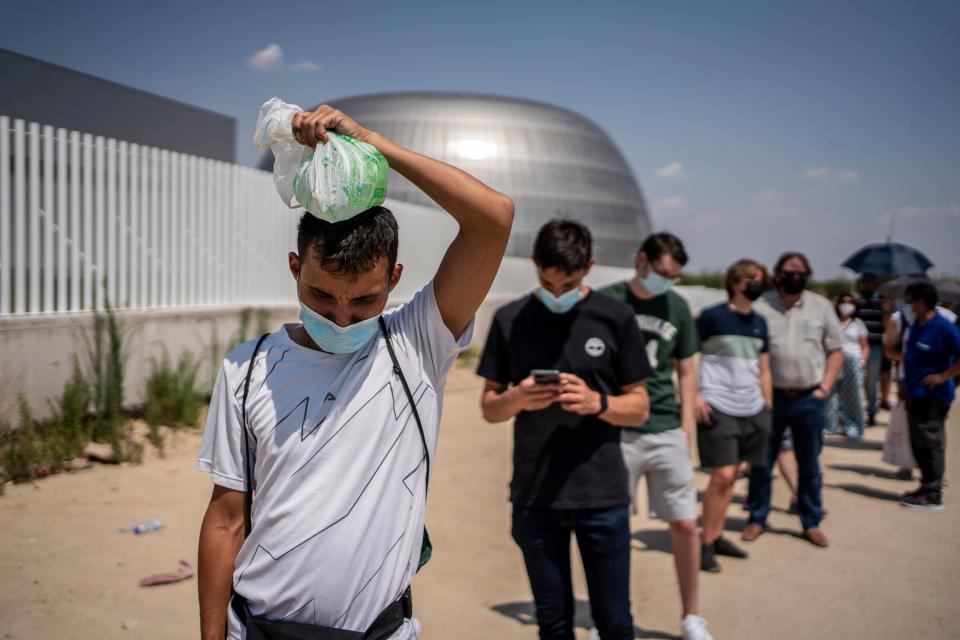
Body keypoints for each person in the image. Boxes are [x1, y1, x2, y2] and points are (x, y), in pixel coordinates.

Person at [196, 104, 515, 640]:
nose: (341, 318)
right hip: (256, 630)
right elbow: (226, 519)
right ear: (296, 268)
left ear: (394, 279)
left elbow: (494, 217)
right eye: (321, 295)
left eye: (364, 300)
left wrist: (369, 140)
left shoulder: (417, 343)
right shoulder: (246, 369)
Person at [476, 219, 655, 640]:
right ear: (535, 264)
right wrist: (515, 399)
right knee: (553, 622)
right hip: (535, 497)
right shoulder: (510, 319)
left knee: (614, 621)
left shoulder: (616, 317)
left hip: (602, 496)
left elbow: (640, 407)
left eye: (568, 283)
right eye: (547, 281)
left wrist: (599, 403)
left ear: (589, 267)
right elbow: (489, 408)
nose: (557, 292)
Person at [600, 233, 712, 640]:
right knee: (613, 529)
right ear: (642, 261)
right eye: (664, 273)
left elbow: (686, 369)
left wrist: (687, 427)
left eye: (675, 276)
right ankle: (607, 618)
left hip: (665, 426)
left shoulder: (677, 307)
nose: (668, 282)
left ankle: (692, 617)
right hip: (618, 429)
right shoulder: (607, 299)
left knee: (684, 523)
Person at [743, 252, 843, 548]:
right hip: (770, 397)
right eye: (789, 271)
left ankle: (811, 521)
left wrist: (824, 388)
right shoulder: (761, 307)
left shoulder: (821, 307)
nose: (795, 276)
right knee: (762, 461)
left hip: (809, 397)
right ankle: (756, 518)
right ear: (777, 275)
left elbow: (835, 350)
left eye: (801, 271)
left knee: (809, 464)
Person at [693, 259, 772, 573]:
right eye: (753, 278)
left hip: (752, 408)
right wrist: (695, 396)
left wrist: (767, 407)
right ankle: (704, 543)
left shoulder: (760, 322)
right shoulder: (712, 316)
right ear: (736, 281)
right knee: (721, 476)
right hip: (718, 405)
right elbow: (686, 355)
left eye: (761, 279)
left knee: (733, 479)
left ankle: (717, 535)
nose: (757, 284)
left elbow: (764, 368)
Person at [897, 282, 960, 511]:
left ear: (921, 302)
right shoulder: (917, 325)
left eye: (910, 301)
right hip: (915, 393)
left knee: (931, 443)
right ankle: (925, 486)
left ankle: (933, 493)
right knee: (920, 443)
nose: (909, 306)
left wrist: (944, 376)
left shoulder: (944, 328)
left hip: (934, 396)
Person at [826, 293, 869, 438]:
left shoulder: (858, 323)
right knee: (830, 394)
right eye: (843, 301)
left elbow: (865, 346)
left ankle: (853, 426)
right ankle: (829, 425)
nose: (846, 304)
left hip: (853, 359)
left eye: (850, 302)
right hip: (834, 359)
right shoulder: (832, 321)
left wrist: (862, 360)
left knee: (853, 395)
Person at [855, 275, 891, 424]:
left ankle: (870, 411)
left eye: (871, 283)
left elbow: (887, 326)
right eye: (865, 282)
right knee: (859, 379)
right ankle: (858, 410)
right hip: (859, 347)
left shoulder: (883, 304)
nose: (868, 285)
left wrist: (886, 311)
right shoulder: (857, 304)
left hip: (876, 347)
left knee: (872, 380)